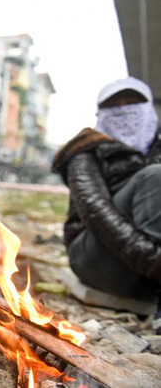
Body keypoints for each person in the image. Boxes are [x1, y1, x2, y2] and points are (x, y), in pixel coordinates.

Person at [51, 77, 161, 333]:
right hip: (96, 258)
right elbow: (98, 214)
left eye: (133, 104)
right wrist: (156, 262)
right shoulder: (84, 151)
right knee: (156, 176)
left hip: (144, 269)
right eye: (116, 107)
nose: (125, 112)